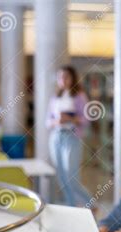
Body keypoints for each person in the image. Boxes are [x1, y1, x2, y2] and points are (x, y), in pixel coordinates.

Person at [46, 65, 94, 210]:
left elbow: (86, 120)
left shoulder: (79, 96)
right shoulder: (56, 97)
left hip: (71, 138)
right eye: (60, 77)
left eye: (66, 76)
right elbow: (47, 121)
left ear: (73, 78)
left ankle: (91, 203)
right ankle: (71, 206)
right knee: (61, 178)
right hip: (56, 137)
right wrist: (57, 121)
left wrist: (70, 119)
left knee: (71, 177)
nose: (63, 80)